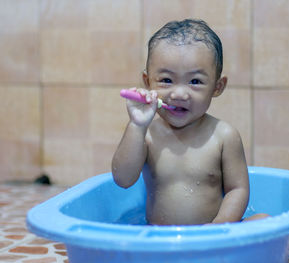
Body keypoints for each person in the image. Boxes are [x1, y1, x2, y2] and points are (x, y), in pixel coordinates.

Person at [112, 19, 268, 225]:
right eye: (166, 80)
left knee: (265, 221)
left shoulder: (224, 136)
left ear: (217, 87)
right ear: (147, 81)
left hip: (212, 237)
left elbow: (237, 190)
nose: (178, 93)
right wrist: (136, 125)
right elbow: (123, 179)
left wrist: (219, 226)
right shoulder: (146, 134)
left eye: (195, 81)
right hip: (160, 239)